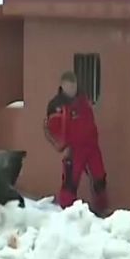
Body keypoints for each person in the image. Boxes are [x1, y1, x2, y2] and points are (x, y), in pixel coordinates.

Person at [43, 71, 108, 213]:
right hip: (73, 149)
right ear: (63, 86)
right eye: (69, 86)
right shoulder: (56, 105)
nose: (72, 89)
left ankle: (101, 212)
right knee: (70, 183)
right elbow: (49, 129)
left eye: (74, 86)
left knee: (100, 178)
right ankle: (67, 213)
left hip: (91, 147)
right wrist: (60, 146)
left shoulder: (83, 100)